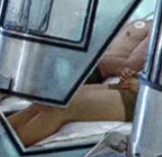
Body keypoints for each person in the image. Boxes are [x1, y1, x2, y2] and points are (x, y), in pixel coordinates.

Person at [8, 19, 152, 146]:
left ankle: (7, 151)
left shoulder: (160, 30)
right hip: (140, 87)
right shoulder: (158, 26)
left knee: (65, 107)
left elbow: (134, 65)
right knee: (54, 99)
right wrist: (136, 77)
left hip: (149, 99)